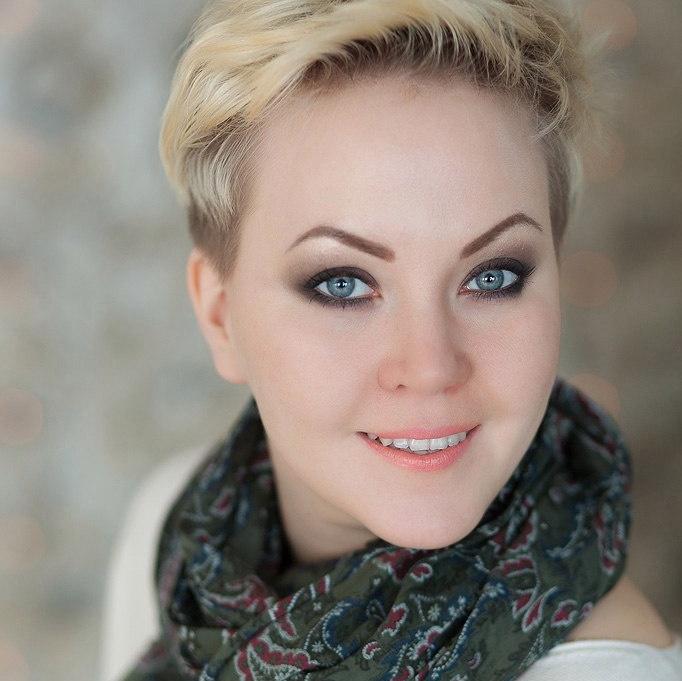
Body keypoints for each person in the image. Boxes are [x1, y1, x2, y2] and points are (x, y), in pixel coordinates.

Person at [99, 0, 682, 679]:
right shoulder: (173, 524)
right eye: (343, 283)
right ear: (219, 315)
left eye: (492, 276)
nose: (430, 366)